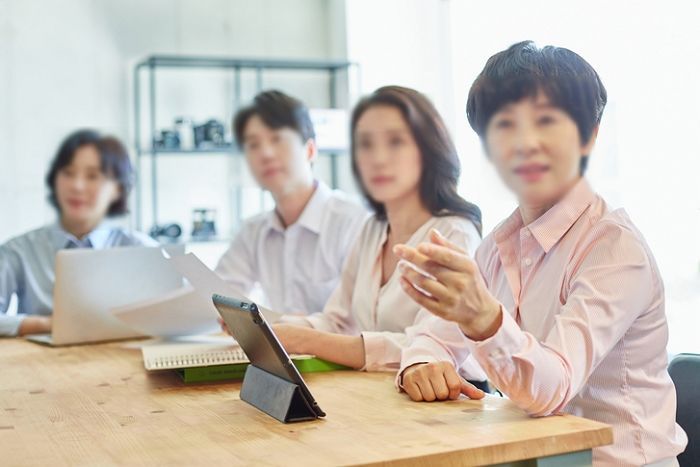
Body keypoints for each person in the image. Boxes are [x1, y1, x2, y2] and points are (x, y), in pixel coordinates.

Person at [395, 41, 687, 466]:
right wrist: (421, 364)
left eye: (547, 122)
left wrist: (485, 321)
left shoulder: (615, 249)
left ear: (589, 136)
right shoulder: (499, 243)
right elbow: (432, 337)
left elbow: (551, 389)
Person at [271, 86, 486, 386]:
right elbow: (337, 320)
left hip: (451, 404)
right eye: (366, 145)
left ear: (428, 149)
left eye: (396, 141)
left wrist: (305, 341)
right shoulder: (373, 228)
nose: (378, 158)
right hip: (382, 397)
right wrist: (272, 326)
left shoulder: (454, 234)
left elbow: (426, 349)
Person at [215, 90, 368, 315]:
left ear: (310, 150)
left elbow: (360, 321)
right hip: (278, 349)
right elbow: (221, 293)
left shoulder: (354, 223)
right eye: (253, 145)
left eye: (277, 139)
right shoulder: (253, 231)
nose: (265, 153)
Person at [0, 129, 156, 337]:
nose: (77, 186)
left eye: (93, 176)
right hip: (40, 363)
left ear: (118, 189)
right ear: (54, 180)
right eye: (68, 173)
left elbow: (184, 308)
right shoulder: (18, 250)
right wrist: (45, 324)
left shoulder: (141, 249)